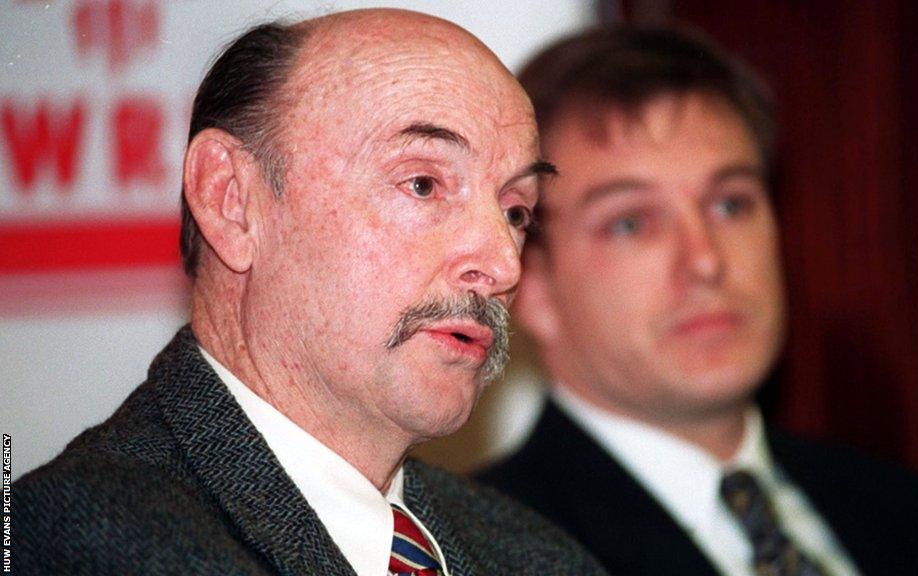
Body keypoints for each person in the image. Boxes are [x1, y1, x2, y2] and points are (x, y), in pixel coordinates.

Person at [13, 9, 609, 576]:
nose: (503, 264)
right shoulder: (74, 537)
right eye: (423, 184)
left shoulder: (537, 554)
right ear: (232, 203)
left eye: (516, 212)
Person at [477, 26, 918, 576]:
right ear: (531, 284)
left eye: (731, 204)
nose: (706, 260)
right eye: (631, 221)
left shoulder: (899, 510)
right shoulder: (483, 552)